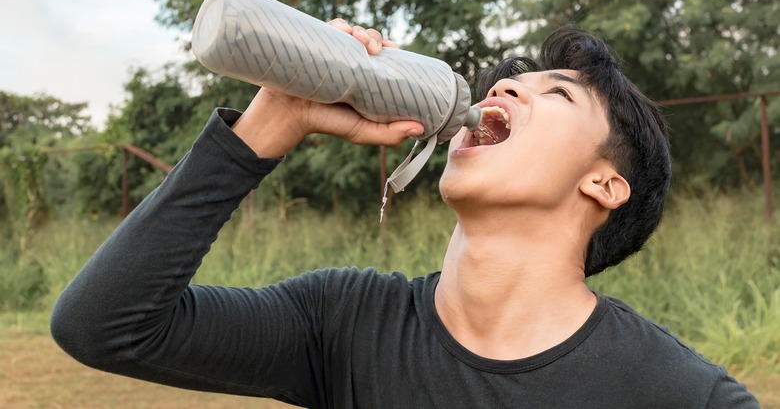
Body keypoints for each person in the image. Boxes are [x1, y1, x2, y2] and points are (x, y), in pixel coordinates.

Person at [51, 20, 759, 408]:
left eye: (560, 94)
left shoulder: (679, 395)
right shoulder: (343, 322)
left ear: (605, 184)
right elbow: (104, 326)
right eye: (508, 81)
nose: (506, 85)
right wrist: (279, 115)